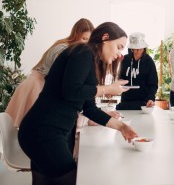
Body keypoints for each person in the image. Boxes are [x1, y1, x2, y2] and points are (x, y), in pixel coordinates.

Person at [18, 22, 138, 185]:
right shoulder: (83, 52)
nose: (119, 54)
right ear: (105, 38)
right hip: (43, 133)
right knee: (72, 178)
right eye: (119, 46)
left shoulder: (89, 60)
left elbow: (89, 109)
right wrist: (108, 88)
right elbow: (71, 91)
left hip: (40, 132)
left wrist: (121, 127)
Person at [6, 18, 94, 127]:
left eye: (88, 40)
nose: (86, 43)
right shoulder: (63, 49)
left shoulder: (67, 47)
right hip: (36, 86)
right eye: (84, 38)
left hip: (37, 85)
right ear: (75, 35)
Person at [116, 32, 158, 110]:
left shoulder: (149, 61)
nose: (137, 51)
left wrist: (151, 98)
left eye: (140, 49)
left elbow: (153, 84)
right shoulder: (125, 59)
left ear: (144, 48)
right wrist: (120, 82)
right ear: (131, 48)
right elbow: (120, 77)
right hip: (126, 101)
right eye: (135, 49)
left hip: (143, 102)